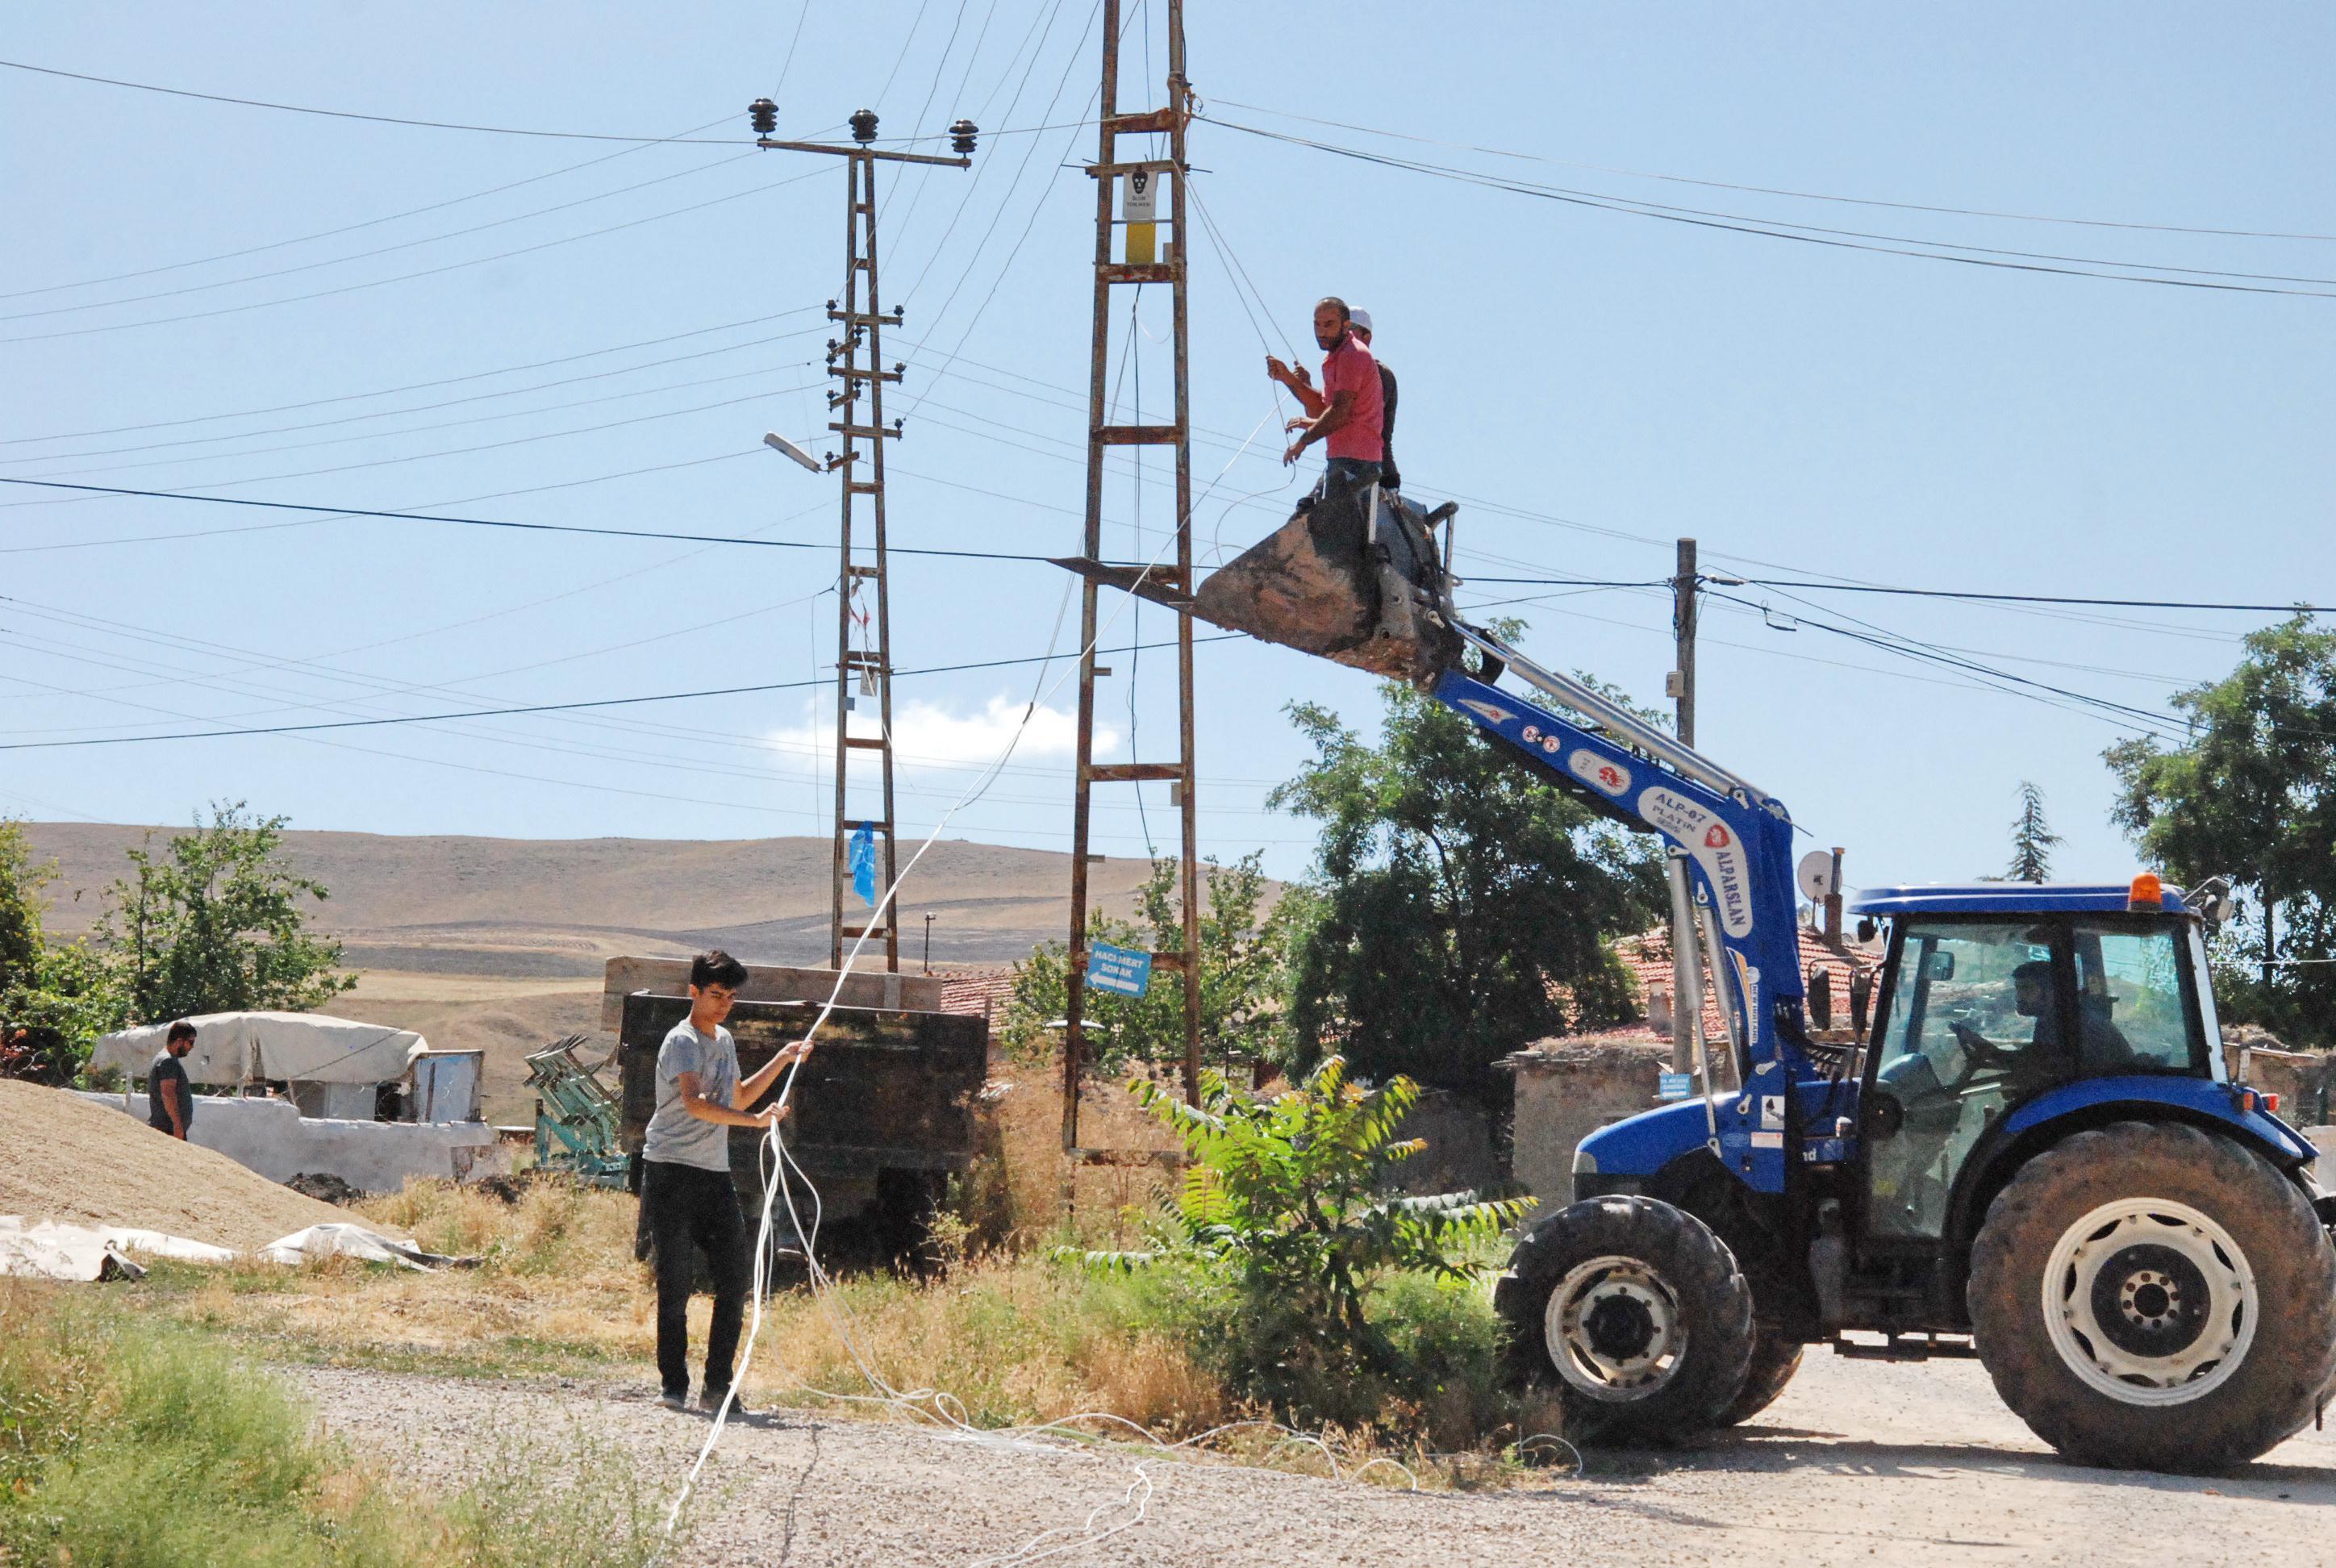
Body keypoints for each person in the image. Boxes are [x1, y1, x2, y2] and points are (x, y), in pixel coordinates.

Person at [640, 949, 814, 1414]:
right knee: (674, 1282)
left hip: (713, 1174)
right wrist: (754, 1122)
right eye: (715, 995)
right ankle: (673, 1385)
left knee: (734, 1280)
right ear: (693, 992)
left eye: (730, 997)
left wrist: (781, 1059)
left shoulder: (726, 1040)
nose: (723, 1005)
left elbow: (736, 1096)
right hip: (671, 1171)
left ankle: (718, 1385)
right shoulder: (682, 1042)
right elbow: (696, 1102)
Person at [1266, 295, 1383, 496]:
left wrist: (1303, 442)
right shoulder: (1333, 357)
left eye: (1329, 325)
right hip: (1341, 457)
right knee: (1314, 517)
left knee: (1333, 523)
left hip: (1358, 462)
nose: (1321, 332)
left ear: (1346, 325)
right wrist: (1288, 378)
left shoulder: (1353, 354)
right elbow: (1322, 409)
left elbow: (1339, 413)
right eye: (1317, 325)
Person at [1347, 308, 1400, 493]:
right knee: (1305, 509)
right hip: (1345, 467)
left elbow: (1353, 416)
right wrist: (1295, 383)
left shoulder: (1380, 374)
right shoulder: (1338, 373)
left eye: (1349, 328)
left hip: (1377, 472)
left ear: (1366, 337)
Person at [147, 1020, 197, 1140]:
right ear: (179, 1040)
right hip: (168, 1130)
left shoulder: (164, 1058)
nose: (192, 1047)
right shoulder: (168, 1061)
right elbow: (168, 1094)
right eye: (190, 1042)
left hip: (168, 1128)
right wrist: (177, 1125)